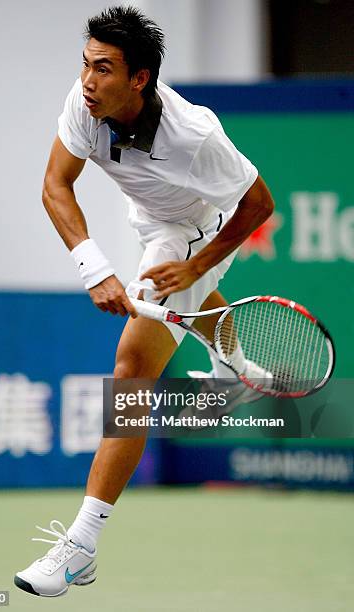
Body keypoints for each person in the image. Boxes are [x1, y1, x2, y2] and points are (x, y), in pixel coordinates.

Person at [14, 5, 274, 597]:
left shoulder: (196, 137)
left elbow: (259, 205)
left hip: (198, 230)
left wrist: (195, 265)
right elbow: (56, 184)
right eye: (85, 64)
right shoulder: (86, 105)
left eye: (103, 69)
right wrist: (94, 267)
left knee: (132, 369)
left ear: (140, 77)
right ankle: (234, 366)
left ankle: (80, 547)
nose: (87, 81)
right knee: (193, 307)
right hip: (152, 220)